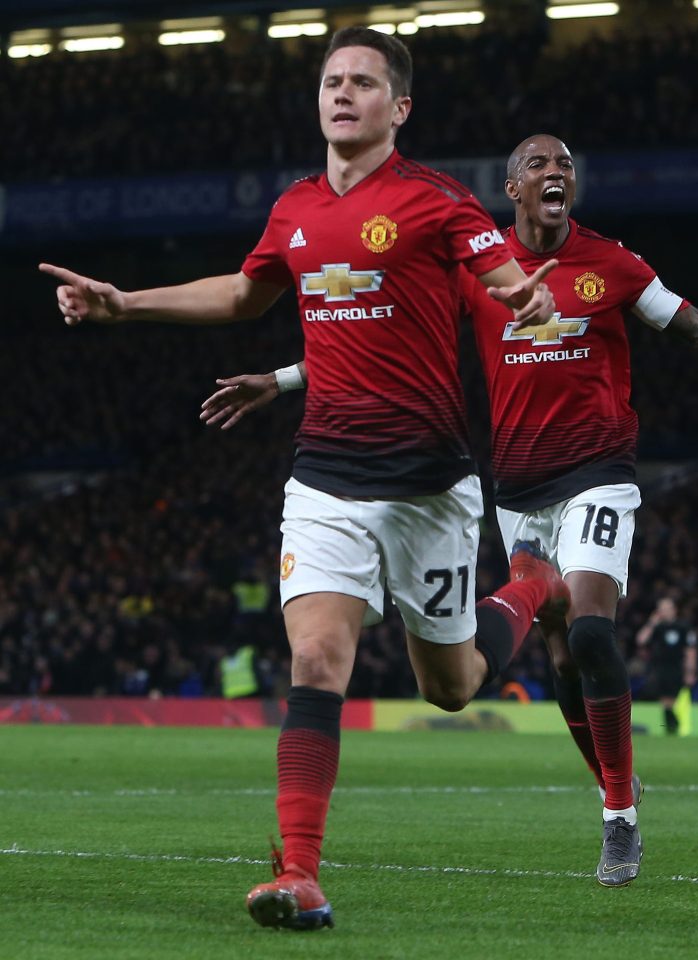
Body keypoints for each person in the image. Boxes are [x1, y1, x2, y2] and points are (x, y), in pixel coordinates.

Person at [201, 134, 698, 889]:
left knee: (591, 627)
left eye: (564, 165)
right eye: (538, 165)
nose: (555, 173)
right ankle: (611, 784)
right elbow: (392, 332)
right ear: (512, 189)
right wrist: (282, 377)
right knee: (562, 655)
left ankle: (618, 811)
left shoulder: (614, 264)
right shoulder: (476, 268)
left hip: (598, 474)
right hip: (515, 490)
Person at [38, 30, 570, 933]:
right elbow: (246, 296)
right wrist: (127, 302)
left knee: (452, 686)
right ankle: (299, 872)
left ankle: (531, 584)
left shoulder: (437, 201)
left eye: (363, 81)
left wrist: (530, 295)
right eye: (332, 80)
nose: (343, 93)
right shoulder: (292, 208)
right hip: (324, 477)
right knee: (318, 659)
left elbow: (507, 274)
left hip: (430, 489)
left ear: (397, 107)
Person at [636, 597, 697, 733]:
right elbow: (641, 640)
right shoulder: (657, 627)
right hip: (658, 669)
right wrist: (652, 622)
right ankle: (671, 725)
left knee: (671, 698)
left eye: (666, 608)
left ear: (674, 610)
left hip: (676, 668)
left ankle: (673, 724)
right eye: (661, 609)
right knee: (663, 698)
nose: (663, 612)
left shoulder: (683, 627)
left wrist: (690, 672)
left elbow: (690, 651)